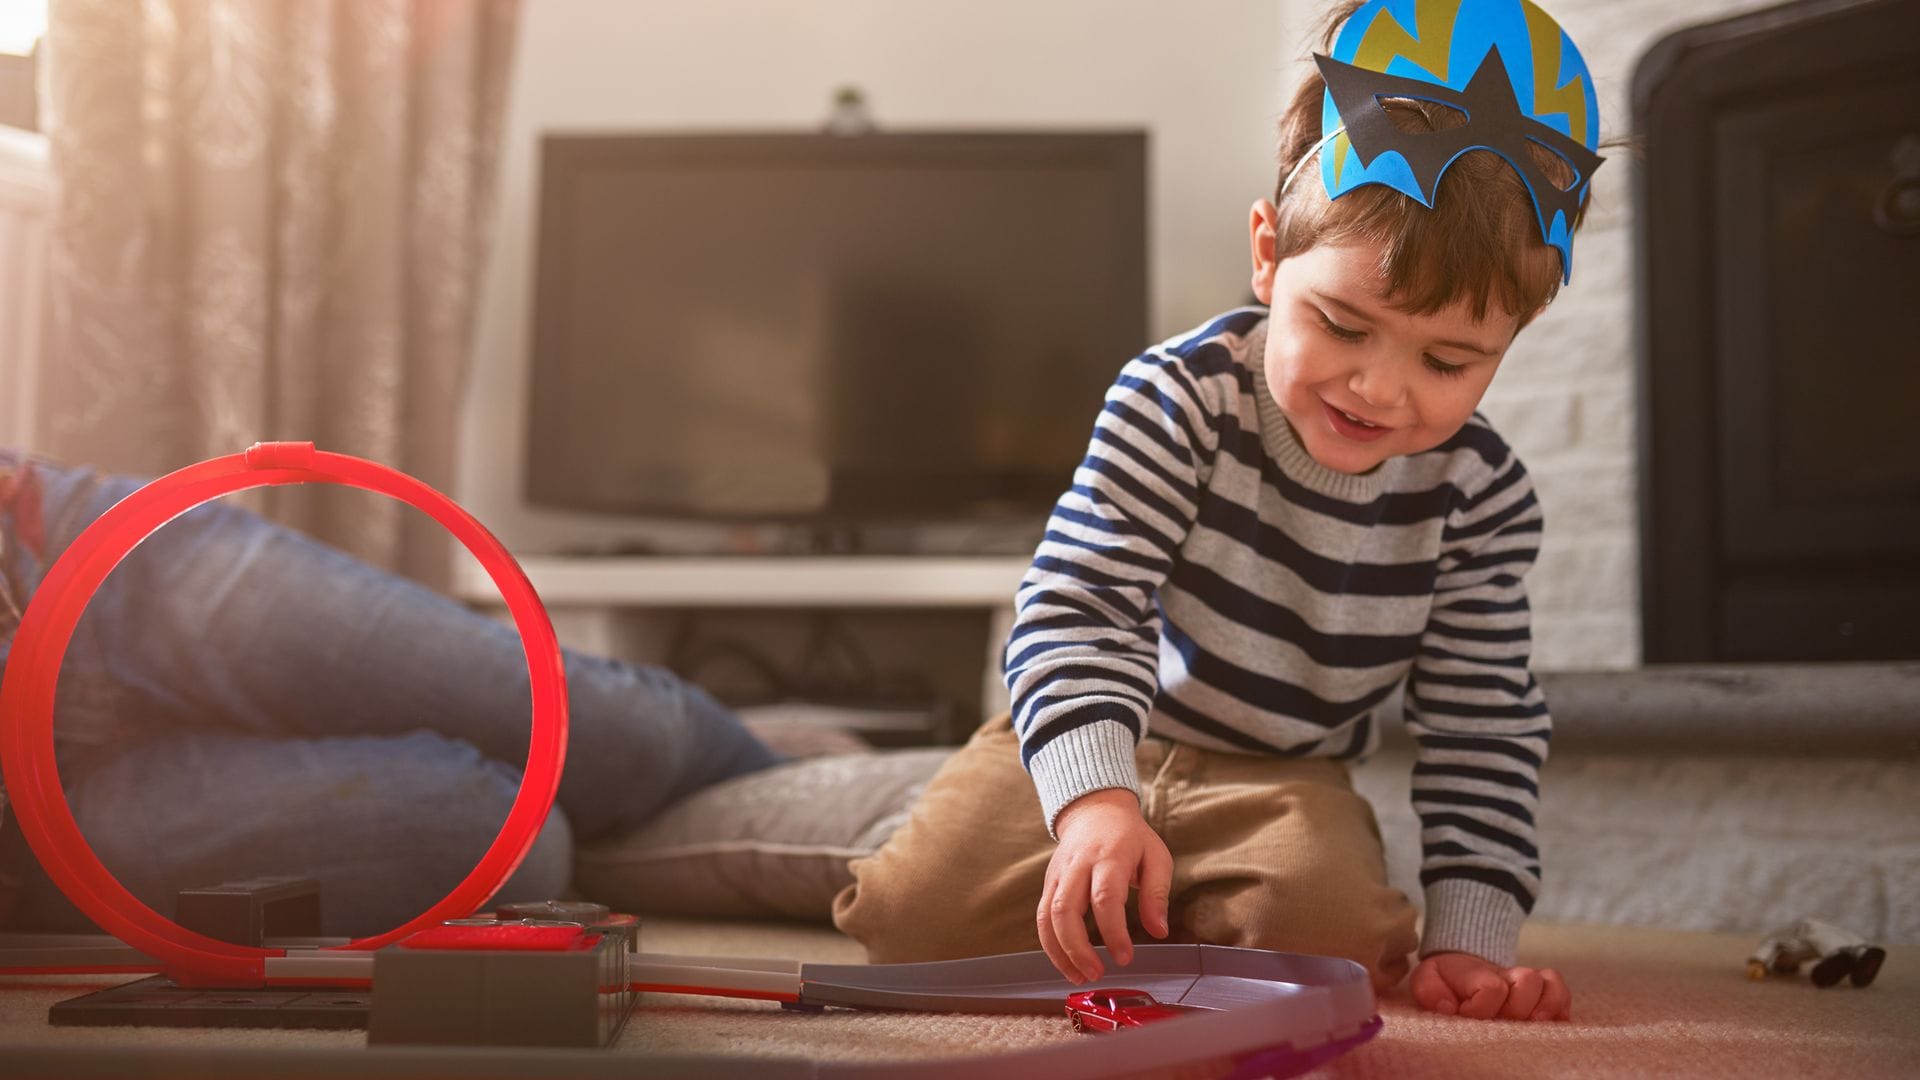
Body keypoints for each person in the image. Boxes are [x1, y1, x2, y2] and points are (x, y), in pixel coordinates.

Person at [832, 0, 1602, 1023]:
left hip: (1287, 780)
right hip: (1115, 728)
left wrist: (1469, 938)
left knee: (1338, 953)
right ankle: (876, 805)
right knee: (902, 928)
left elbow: (1483, 722)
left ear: (1517, 335)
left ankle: (1166, 902)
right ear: (1269, 256)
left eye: (1449, 360)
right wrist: (1097, 803)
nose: (1378, 389)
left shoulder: (1482, 498)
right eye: (1341, 324)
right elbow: (1079, 604)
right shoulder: (1177, 397)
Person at [0, 450, 783, 935]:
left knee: (621, 734)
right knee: (512, 841)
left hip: (66, 552)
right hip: (29, 821)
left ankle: (798, 772)